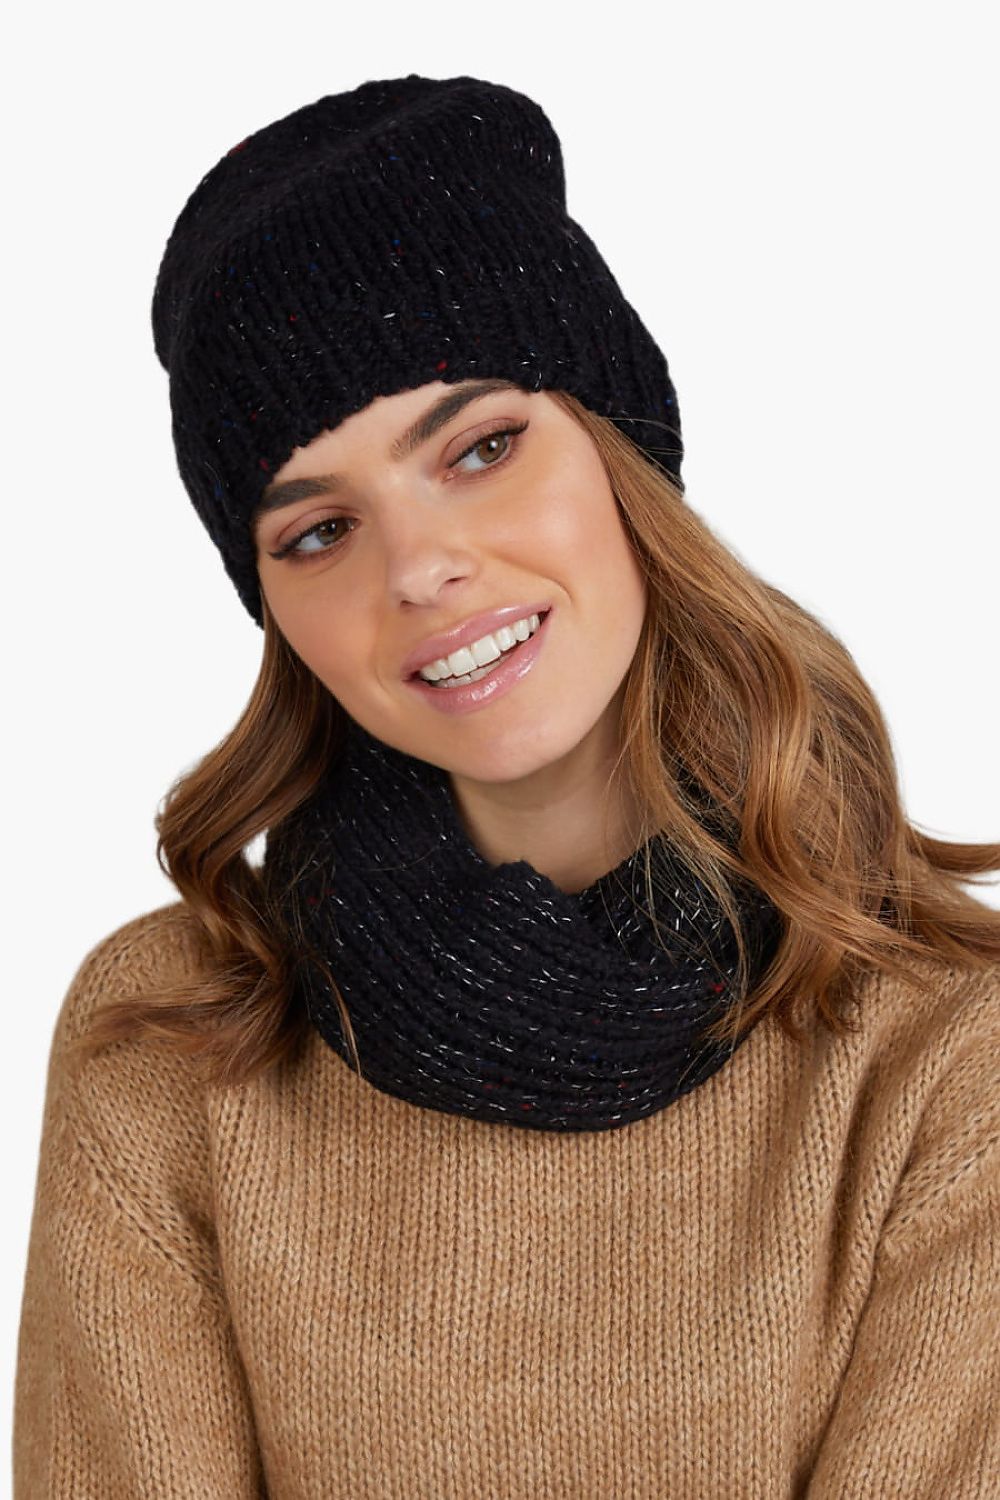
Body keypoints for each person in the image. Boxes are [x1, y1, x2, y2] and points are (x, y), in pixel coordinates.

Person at [13, 72, 1000, 1498]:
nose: (420, 569)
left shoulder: (946, 1057)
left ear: (619, 449)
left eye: (480, 449)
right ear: (276, 608)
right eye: (318, 530)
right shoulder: (167, 1046)